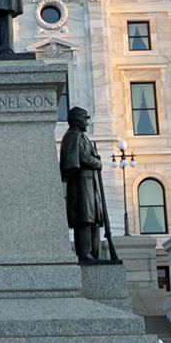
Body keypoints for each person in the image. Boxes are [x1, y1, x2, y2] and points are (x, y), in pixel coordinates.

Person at [59, 108, 117, 263]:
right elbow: (83, 158)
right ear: (77, 120)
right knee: (85, 219)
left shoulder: (81, 137)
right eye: (85, 119)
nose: (87, 122)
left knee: (94, 221)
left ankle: (94, 254)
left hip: (90, 184)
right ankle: (85, 253)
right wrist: (97, 162)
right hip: (82, 185)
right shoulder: (74, 136)